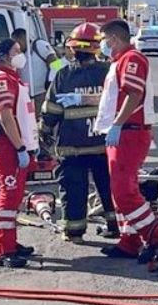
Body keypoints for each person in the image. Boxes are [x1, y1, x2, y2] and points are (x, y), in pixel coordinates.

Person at [41, 23, 117, 242]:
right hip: (103, 143)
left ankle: (74, 232)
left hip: (72, 145)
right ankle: (115, 225)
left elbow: (52, 109)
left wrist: (44, 131)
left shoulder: (64, 75)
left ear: (72, 49)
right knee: (109, 186)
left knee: (73, 189)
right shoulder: (108, 71)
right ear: (97, 48)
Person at [95, 19, 158, 259]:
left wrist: (118, 123)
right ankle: (129, 241)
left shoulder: (131, 59)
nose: (102, 44)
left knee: (124, 192)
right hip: (123, 131)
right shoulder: (120, 61)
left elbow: (134, 94)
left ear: (114, 38)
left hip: (129, 132)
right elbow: (116, 97)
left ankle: (156, 237)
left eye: (104, 39)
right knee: (120, 191)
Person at [0, 38, 40, 267]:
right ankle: (4, 249)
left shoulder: (10, 77)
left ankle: (11, 242)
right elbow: (6, 116)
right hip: (7, 144)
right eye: (16, 51)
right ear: (4, 55)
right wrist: (20, 147)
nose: (20, 54)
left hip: (13, 143)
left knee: (14, 194)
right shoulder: (2, 79)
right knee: (10, 192)